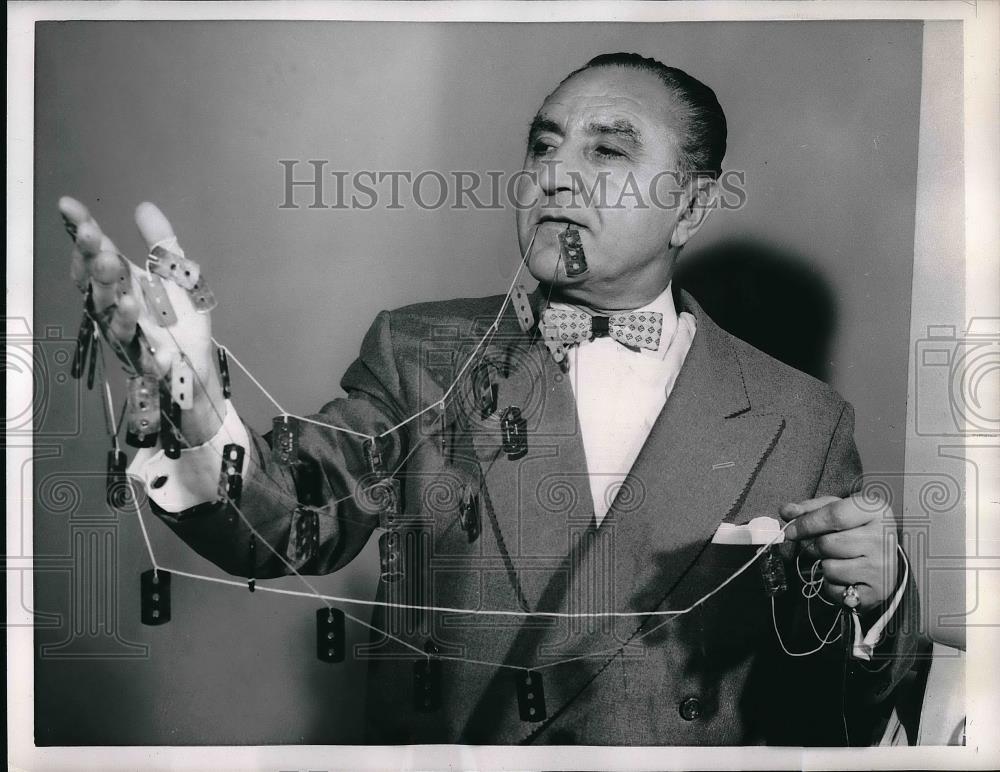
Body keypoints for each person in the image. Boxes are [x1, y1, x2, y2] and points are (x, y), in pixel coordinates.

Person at [61, 52, 917, 745]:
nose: (556, 175)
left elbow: (835, 712)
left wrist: (879, 604)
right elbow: (287, 521)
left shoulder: (801, 417)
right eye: (544, 146)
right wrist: (197, 404)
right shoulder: (421, 354)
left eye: (607, 152)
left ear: (689, 207)